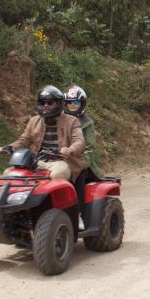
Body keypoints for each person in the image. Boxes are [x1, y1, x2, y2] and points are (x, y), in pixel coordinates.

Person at [0, 85, 86, 181]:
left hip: (62, 161)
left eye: (50, 102)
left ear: (59, 104)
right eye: (43, 103)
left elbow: (79, 141)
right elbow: (24, 141)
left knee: (56, 175)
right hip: (37, 161)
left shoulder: (72, 121)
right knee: (9, 173)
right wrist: (8, 148)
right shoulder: (34, 121)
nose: (46, 105)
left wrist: (69, 150)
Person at [64, 84, 103, 219]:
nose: (72, 105)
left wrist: (80, 163)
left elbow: (91, 148)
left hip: (83, 162)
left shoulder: (87, 123)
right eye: (69, 102)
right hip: (61, 159)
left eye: (76, 102)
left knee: (78, 175)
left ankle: (78, 214)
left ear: (82, 103)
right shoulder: (61, 120)